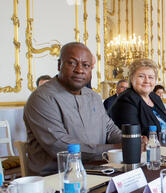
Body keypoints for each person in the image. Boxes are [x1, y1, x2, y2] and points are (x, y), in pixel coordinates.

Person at [23, 42, 122, 176]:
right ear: (59, 65)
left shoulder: (93, 96)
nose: (80, 70)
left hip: (97, 171)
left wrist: (130, 141)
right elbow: (61, 146)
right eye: (72, 63)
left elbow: (109, 129)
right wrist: (115, 149)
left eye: (86, 65)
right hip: (56, 180)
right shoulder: (42, 98)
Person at [110, 59, 166, 137]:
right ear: (132, 79)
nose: (147, 81)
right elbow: (133, 136)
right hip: (144, 148)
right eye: (141, 76)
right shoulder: (126, 100)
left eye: (151, 77)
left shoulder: (155, 97)